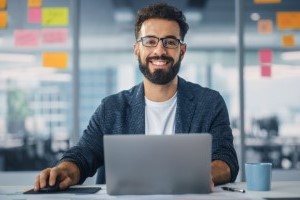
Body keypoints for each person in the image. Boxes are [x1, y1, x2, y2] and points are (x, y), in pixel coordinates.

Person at [34, 3, 239, 192]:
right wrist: (64, 170)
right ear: (137, 49)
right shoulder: (111, 108)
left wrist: (202, 174)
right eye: (150, 41)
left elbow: (226, 159)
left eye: (169, 42)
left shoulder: (210, 103)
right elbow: (83, 154)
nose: (160, 50)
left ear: (182, 51)